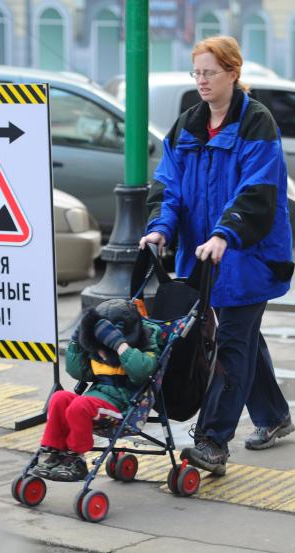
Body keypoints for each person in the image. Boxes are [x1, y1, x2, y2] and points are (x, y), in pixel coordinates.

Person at [139, 35, 294, 476]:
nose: (202, 81)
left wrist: (227, 233)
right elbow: (168, 184)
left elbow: (259, 190)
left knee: (230, 343)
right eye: (197, 73)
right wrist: (159, 228)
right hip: (203, 259)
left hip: (250, 257)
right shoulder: (188, 123)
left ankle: (212, 440)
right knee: (242, 338)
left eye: (210, 72)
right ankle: (274, 415)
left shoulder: (256, 122)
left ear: (232, 73)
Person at [33, 299, 164, 482]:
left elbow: (142, 372)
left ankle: (76, 456)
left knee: (80, 405)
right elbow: (77, 371)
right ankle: (53, 450)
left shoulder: (146, 346)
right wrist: (78, 340)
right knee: (59, 398)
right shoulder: (97, 350)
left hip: (123, 406)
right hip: (96, 398)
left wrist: (119, 345)